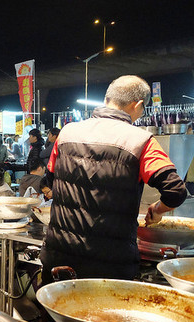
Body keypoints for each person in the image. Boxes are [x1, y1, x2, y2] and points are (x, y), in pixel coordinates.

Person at [40, 75, 188, 282]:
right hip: (110, 265)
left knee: (52, 312)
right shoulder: (141, 141)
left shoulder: (66, 133)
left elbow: (50, 179)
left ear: (107, 99)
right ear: (137, 105)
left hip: (59, 256)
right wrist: (158, 209)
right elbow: (176, 192)